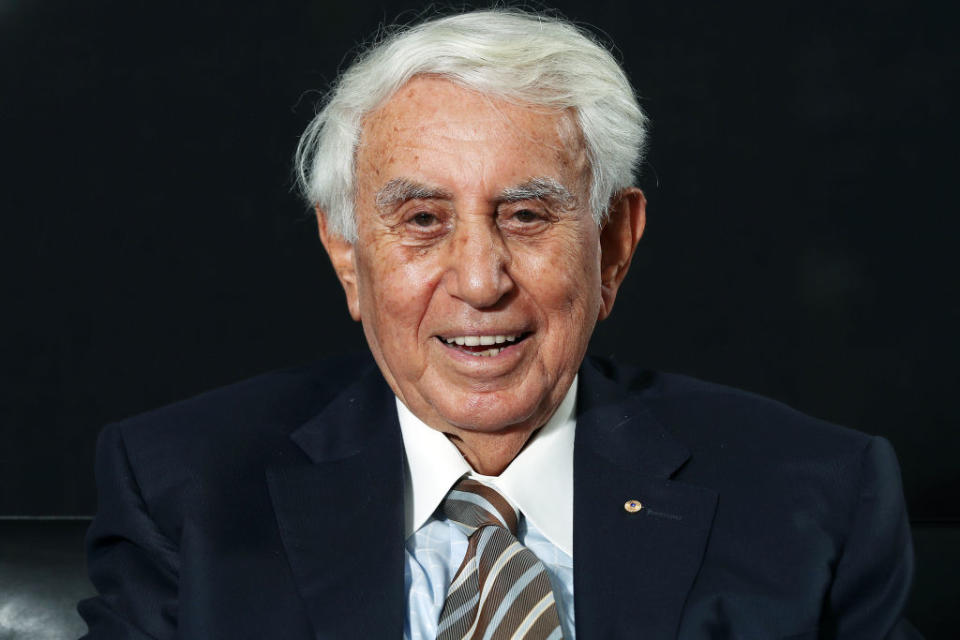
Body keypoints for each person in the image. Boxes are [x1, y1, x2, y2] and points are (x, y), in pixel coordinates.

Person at [78, 9, 920, 639]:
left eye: (525, 215)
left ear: (614, 246)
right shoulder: (183, 491)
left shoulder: (816, 498)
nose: (480, 283)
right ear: (346, 255)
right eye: (421, 220)